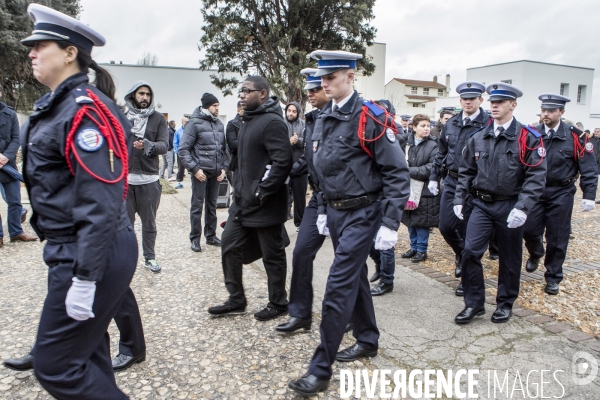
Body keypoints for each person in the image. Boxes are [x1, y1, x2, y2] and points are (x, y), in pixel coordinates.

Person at [9, 5, 138, 398]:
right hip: (74, 245)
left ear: (70, 53)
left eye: (40, 45)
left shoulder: (84, 110)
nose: (31, 52)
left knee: (57, 367)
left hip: (90, 248)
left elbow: (100, 199)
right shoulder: (59, 105)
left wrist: (85, 276)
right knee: (88, 355)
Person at [288, 50, 410, 396]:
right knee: (354, 277)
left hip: (364, 212)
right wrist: (324, 207)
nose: (325, 83)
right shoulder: (324, 117)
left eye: (332, 77)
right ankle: (368, 338)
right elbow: (324, 168)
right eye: (322, 78)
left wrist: (390, 222)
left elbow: (396, 173)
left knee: (338, 285)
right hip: (337, 211)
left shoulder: (370, 116)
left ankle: (319, 369)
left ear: (351, 77)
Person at [453, 83, 546, 325]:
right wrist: (459, 199)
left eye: (500, 102)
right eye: (492, 102)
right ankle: (474, 303)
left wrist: (523, 207)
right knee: (470, 252)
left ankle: (505, 303)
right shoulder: (479, 136)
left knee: (510, 257)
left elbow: (536, 177)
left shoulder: (527, 138)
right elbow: (466, 171)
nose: (494, 106)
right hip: (482, 204)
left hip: (510, 205)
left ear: (512, 105)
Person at [208, 76, 293, 321]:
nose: (242, 95)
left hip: (265, 203)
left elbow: (282, 162)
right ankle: (236, 299)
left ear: (263, 94)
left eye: (247, 91)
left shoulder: (273, 122)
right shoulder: (248, 121)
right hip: (242, 202)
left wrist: (263, 190)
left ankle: (278, 302)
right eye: (241, 91)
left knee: (272, 255)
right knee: (229, 245)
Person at [522, 94, 597, 295]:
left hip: (561, 191)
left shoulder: (576, 136)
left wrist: (589, 194)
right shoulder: (532, 133)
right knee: (528, 229)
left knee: (557, 236)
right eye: (543, 110)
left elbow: (588, 168)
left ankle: (553, 276)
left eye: (551, 111)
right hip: (535, 190)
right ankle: (536, 252)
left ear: (561, 112)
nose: (545, 114)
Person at [428, 82, 496, 297]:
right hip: (452, 181)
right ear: (460, 101)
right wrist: (433, 176)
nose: (468, 101)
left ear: (480, 101)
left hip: (475, 185)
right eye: (464, 98)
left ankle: (467, 278)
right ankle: (461, 254)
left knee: (469, 233)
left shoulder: (489, 123)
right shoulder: (452, 123)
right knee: (446, 226)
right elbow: (442, 152)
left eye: (472, 98)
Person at [277, 68, 331, 332]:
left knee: (347, 263)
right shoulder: (313, 120)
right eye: (308, 89)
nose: (310, 94)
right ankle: (300, 314)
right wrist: (279, 176)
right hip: (319, 199)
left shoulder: (353, 118)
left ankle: (355, 318)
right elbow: (308, 158)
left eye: (315, 89)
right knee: (301, 253)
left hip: (346, 203)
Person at [124, 80, 169, 273]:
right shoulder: (122, 118)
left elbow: (164, 146)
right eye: (141, 93)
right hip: (125, 182)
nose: (145, 97)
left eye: (148, 95)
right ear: (133, 95)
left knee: (149, 223)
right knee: (125, 225)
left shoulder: (158, 119)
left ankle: (149, 258)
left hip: (149, 182)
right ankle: (125, 259)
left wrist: (148, 145)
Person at [179, 93, 228, 252]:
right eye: (215, 105)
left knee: (212, 206)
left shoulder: (219, 124)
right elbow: (183, 150)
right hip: (200, 173)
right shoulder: (194, 123)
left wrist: (224, 168)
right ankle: (195, 238)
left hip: (216, 173)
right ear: (207, 106)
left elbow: (224, 150)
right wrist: (194, 169)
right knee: (197, 206)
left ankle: (211, 235)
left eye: (218, 105)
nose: (217, 108)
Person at [0, 84, 38, 247]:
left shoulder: (10, 113)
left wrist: (5, 157)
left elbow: (16, 138)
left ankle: (16, 232)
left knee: (15, 201)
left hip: (8, 164)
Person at [400, 114, 440, 263]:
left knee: (422, 220)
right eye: (422, 126)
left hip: (425, 188)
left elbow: (431, 168)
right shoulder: (406, 143)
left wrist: (408, 171)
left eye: (428, 126)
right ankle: (413, 247)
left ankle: (422, 250)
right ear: (414, 127)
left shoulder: (433, 145)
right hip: (408, 187)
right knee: (410, 217)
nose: (426, 129)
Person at [285, 101, 307, 228]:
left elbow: (307, 143)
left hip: (300, 166)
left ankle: (300, 224)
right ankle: (281, 222)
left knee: (300, 198)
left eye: (294, 111)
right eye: (289, 111)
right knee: (282, 197)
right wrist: (289, 141)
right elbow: (277, 142)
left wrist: (297, 140)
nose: (291, 113)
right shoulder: (280, 124)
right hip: (284, 166)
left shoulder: (304, 125)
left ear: (298, 112)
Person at [225, 102, 243, 184]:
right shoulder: (232, 124)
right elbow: (232, 144)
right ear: (238, 111)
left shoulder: (254, 123)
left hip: (253, 164)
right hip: (238, 164)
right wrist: (250, 141)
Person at [173, 116, 189, 189]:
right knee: (180, 169)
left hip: (190, 153)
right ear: (182, 122)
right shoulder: (178, 131)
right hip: (181, 153)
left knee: (192, 169)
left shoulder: (191, 130)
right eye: (186, 121)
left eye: (188, 121)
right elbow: (175, 142)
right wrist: (177, 151)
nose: (187, 123)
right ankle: (180, 183)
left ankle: (194, 184)